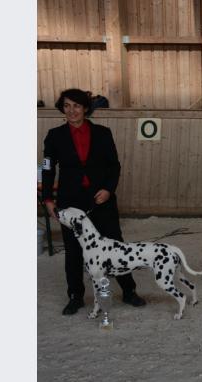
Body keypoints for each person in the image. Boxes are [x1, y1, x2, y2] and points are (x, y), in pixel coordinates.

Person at [41, 88, 146, 315]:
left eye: (76, 106)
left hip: (101, 200)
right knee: (73, 250)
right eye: (67, 106)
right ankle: (75, 296)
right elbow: (48, 170)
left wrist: (108, 189)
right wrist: (48, 199)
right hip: (70, 202)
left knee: (116, 245)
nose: (71, 111)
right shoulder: (54, 135)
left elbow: (114, 166)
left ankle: (129, 291)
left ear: (86, 108)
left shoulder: (103, 133)